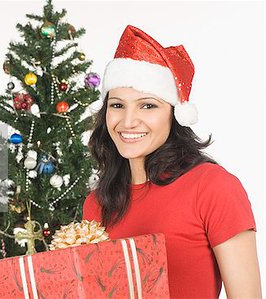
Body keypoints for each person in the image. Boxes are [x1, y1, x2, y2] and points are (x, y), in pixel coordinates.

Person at [83, 25, 261, 298]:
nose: (128, 121)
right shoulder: (96, 204)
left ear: (175, 115)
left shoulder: (213, 187)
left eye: (148, 105)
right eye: (117, 105)